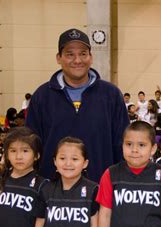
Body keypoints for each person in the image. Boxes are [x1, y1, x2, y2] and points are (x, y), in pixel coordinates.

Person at [26, 28, 129, 182]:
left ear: (91, 57)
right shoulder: (42, 96)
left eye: (83, 54)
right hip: (52, 194)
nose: (77, 60)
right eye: (70, 54)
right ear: (58, 58)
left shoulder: (111, 95)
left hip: (100, 192)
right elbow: (32, 147)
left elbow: (122, 145)